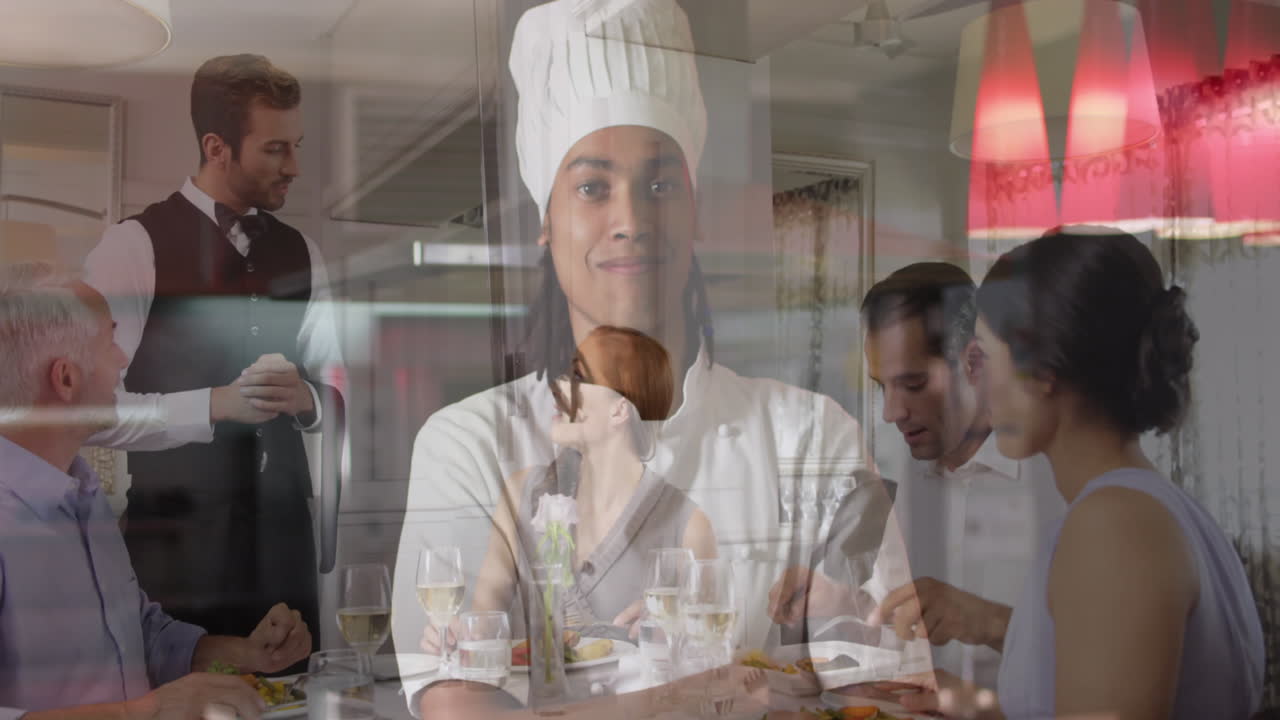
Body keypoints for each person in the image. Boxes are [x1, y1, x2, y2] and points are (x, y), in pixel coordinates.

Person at [393, 0, 888, 714]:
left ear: (695, 210)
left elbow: (880, 688)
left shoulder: (812, 435)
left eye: (660, 186)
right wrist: (691, 696)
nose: (631, 220)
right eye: (592, 188)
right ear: (546, 219)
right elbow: (459, 705)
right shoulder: (470, 444)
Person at [917, 227, 1264, 718]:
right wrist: (973, 701)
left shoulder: (1113, 526)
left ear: (1041, 370)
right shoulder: (1157, 508)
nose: (976, 383)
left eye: (984, 357)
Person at [83, 54, 345, 649]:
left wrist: (308, 401)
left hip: (283, 547)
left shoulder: (304, 253)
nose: (294, 166)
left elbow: (337, 390)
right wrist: (213, 405)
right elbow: (92, 412)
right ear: (216, 147)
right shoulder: (132, 246)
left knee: (296, 688)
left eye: (296, 146)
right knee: (184, 689)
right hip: (178, 551)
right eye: (275, 149)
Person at [0, 262, 312, 720]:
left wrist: (247, 653)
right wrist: (148, 710)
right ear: (65, 379)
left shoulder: (84, 496)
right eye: (109, 341)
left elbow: (141, 638)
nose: (122, 360)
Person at [768, 263, 1063, 686]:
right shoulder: (903, 482)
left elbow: (1119, 659)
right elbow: (903, 625)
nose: (892, 413)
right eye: (882, 387)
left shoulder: (1057, 482)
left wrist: (992, 622)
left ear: (975, 363)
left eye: (913, 384)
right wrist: (841, 603)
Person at [459, 326, 715, 638]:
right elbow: (485, 615)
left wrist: (674, 624)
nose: (557, 386)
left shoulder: (689, 525)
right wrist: (460, 634)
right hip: (538, 673)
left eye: (578, 377)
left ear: (620, 410)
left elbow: (706, 641)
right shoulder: (521, 492)